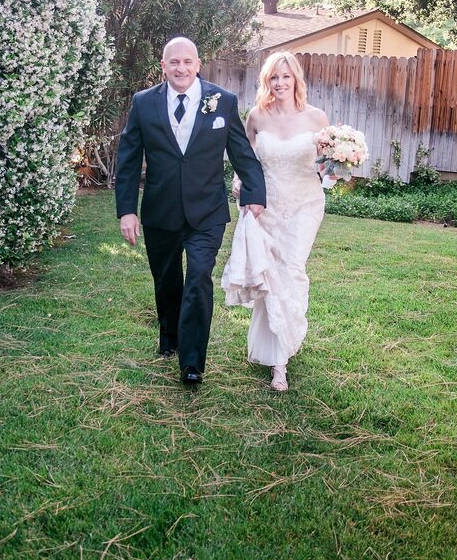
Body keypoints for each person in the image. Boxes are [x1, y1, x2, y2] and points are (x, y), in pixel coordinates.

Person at [115, 37, 266, 387]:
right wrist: (127, 211)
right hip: (160, 212)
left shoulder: (222, 102)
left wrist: (255, 193)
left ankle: (192, 362)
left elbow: (242, 152)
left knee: (198, 278)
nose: (181, 68)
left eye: (188, 62)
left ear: (198, 64)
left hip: (207, 213)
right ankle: (169, 337)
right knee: (167, 280)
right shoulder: (143, 103)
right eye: (174, 62)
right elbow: (128, 160)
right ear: (163, 66)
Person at [221, 51, 330, 392]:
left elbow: (326, 164)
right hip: (266, 207)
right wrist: (241, 185)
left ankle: (289, 336)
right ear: (266, 82)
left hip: (304, 205)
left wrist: (337, 165)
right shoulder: (257, 116)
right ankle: (278, 363)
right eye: (273, 78)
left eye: (285, 76)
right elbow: (246, 161)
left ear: (296, 79)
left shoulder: (316, 118)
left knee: (292, 270)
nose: (280, 83)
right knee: (271, 276)